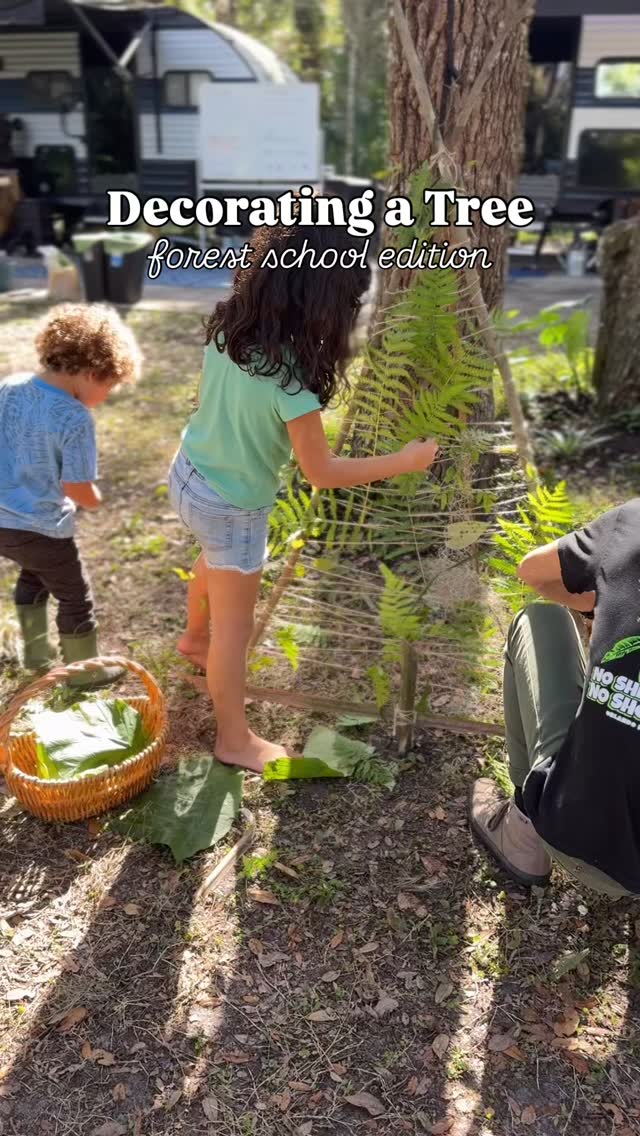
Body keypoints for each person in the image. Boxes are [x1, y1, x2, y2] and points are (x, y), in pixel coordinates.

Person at [169, 224, 439, 775]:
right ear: (326, 305)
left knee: (211, 565)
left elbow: (209, 400)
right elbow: (321, 472)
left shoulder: (228, 330)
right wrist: (405, 461)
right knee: (236, 632)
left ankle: (194, 639)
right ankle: (233, 739)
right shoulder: (290, 388)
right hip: (234, 508)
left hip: (188, 475)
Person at [470, 500, 640, 897]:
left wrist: (605, 602)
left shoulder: (632, 524)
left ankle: (522, 832)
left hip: (581, 836)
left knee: (539, 621)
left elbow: (533, 572)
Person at [0, 303, 141, 685]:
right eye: (108, 387)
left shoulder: (9, 387)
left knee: (34, 577)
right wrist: (95, 501)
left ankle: (35, 654)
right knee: (75, 598)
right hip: (43, 527)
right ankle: (84, 676)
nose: (105, 396)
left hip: (3, 524)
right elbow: (75, 487)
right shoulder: (74, 417)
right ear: (94, 372)